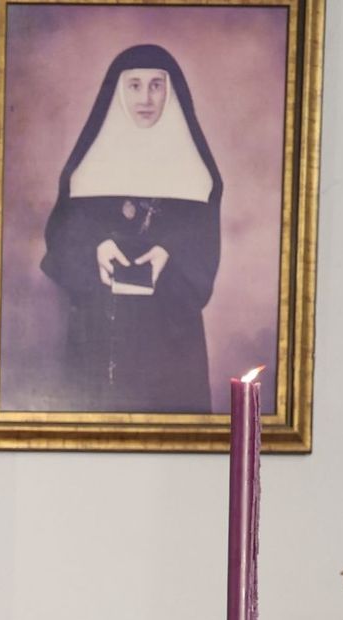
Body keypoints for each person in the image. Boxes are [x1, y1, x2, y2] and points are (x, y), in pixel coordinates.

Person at [41, 44, 222, 413]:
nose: (146, 97)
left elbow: (204, 243)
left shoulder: (193, 169)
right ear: (118, 91)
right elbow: (60, 235)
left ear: (170, 92)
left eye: (157, 85)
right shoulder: (88, 167)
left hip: (169, 330)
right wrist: (97, 247)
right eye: (135, 85)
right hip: (99, 323)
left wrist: (168, 251)